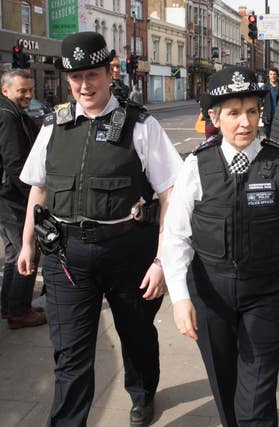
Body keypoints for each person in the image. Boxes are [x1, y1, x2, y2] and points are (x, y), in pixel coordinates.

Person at [17, 32, 183, 426]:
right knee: (71, 354)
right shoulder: (53, 126)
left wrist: (162, 261)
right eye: (75, 77)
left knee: (137, 335)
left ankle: (142, 394)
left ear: (110, 72)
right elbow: (38, 187)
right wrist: (27, 244)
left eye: (92, 75)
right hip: (66, 259)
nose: (84, 86)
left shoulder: (141, 126)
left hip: (129, 253)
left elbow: (170, 195)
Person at [163, 66, 279, 426]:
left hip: (268, 293)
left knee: (255, 400)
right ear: (214, 117)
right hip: (210, 294)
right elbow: (176, 237)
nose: (245, 122)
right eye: (233, 113)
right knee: (226, 388)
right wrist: (180, 298)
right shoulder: (196, 166)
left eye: (252, 111)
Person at [0, 69, 46, 329]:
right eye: (22, 91)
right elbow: (15, 165)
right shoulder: (7, 116)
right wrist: (33, 200)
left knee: (12, 252)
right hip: (11, 198)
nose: (28, 95)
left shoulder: (14, 114)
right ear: (5, 91)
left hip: (6, 196)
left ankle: (9, 304)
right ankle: (19, 311)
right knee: (26, 251)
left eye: (30, 90)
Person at [261, 67, 279, 137]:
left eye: (274, 74)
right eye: (271, 74)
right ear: (268, 76)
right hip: (268, 117)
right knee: (268, 136)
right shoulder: (264, 87)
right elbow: (259, 102)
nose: (272, 76)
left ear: (277, 75)